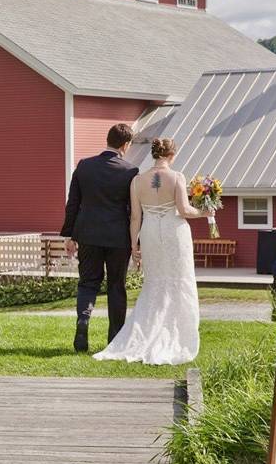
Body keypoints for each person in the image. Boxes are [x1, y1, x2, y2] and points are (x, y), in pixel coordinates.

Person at [91, 138, 210, 365]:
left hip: (149, 234)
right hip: (174, 232)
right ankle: (177, 334)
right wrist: (204, 212)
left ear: (155, 155)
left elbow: (135, 217)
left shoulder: (136, 181)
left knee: (155, 283)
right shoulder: (176, 177)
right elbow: (184, 210)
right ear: (171, 155)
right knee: (179, 280)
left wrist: (134, 246)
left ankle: (144, 334)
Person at [61, 123, 139, 352]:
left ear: (107, 140)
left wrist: (69, 235)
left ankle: (83, 322)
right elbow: (134, 211)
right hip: (118, 238)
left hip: (88, 234)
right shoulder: (130, 171)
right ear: (126, 145)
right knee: (116, 286)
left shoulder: (84, 166)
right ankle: (115, 339)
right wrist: (137, 241)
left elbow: (73, 203)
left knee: (87, 283)